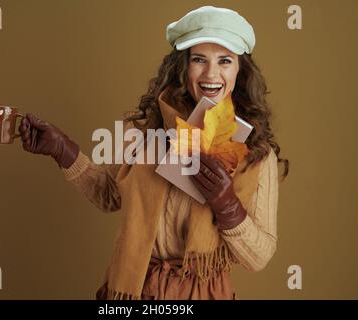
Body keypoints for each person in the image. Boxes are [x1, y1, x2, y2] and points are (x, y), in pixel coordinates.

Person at [18, 6, 289, 300]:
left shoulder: (256, 155)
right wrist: (63, 151)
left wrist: (228, 207)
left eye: (225, 61)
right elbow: (110, 195)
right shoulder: (145, 131)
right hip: (134, 289)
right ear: (183, 67)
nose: (212, 73)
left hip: (204, 294)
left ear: (240, 69)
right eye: (199, 59)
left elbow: (259, 257)